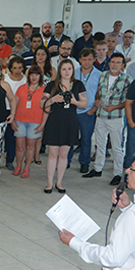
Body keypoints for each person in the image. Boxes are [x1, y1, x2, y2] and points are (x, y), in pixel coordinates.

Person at [41, 58, 88, 194]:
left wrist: (74, 102)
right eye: (64, 69)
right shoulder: (52, 85)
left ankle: (59, 182)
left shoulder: (78, 85)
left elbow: (84, 103)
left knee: (64, 154)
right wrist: (53, 99)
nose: (67, 72)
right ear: (59, 71)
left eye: (69, 69)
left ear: (73, 70)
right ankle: (49, 182)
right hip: (55, 121)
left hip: (70, 122)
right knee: (52, 154)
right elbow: (41, 103)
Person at [86, 52, 130, 184]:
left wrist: (115, 107)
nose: (114, 65)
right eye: (113, 62)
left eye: (118, 63)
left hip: (115, 117)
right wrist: (97, 101)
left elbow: (128, 100)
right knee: (100, 144)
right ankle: (97, 169)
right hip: (101, 115)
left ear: (122, 65)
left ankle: (117, 173)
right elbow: (99, 92)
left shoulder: (127, 79)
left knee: (116, 147)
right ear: (109, 63)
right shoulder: (103, 75)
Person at [68, 49, 102, 174]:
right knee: (70, 137)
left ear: (94, 59)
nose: (86, 62)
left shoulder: (99, 74)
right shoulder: (73, 73)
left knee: (86, 139)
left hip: (87, 112)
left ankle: (84, 162)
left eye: (89, 59)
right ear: (79, 60)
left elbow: (100, 94)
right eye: (84, 59)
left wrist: (93, 110)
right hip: (72, 110)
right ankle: (66, 160)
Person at [12, 64, 45, 178]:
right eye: (32, 75)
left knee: (31, 146)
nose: (34, 77)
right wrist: (12, 119)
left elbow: (47, 109)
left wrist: (43, 125)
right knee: (19, 146)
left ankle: (27, 168)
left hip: (35, 122)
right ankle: (19, 166)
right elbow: (14, 104)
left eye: (37, 75)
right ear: (28, 76)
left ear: (40, 76)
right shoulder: (21, 88)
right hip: (20, 120)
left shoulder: (44, 91)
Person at [2, 57, 26, 171]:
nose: (17, 70)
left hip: (18, 111)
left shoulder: (25, 80)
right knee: (1, 136)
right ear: (10, 68)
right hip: (3, 109)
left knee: (12, 137)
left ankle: (10, 161)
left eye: (20, 68)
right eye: (15, 68)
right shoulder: (5, 78)